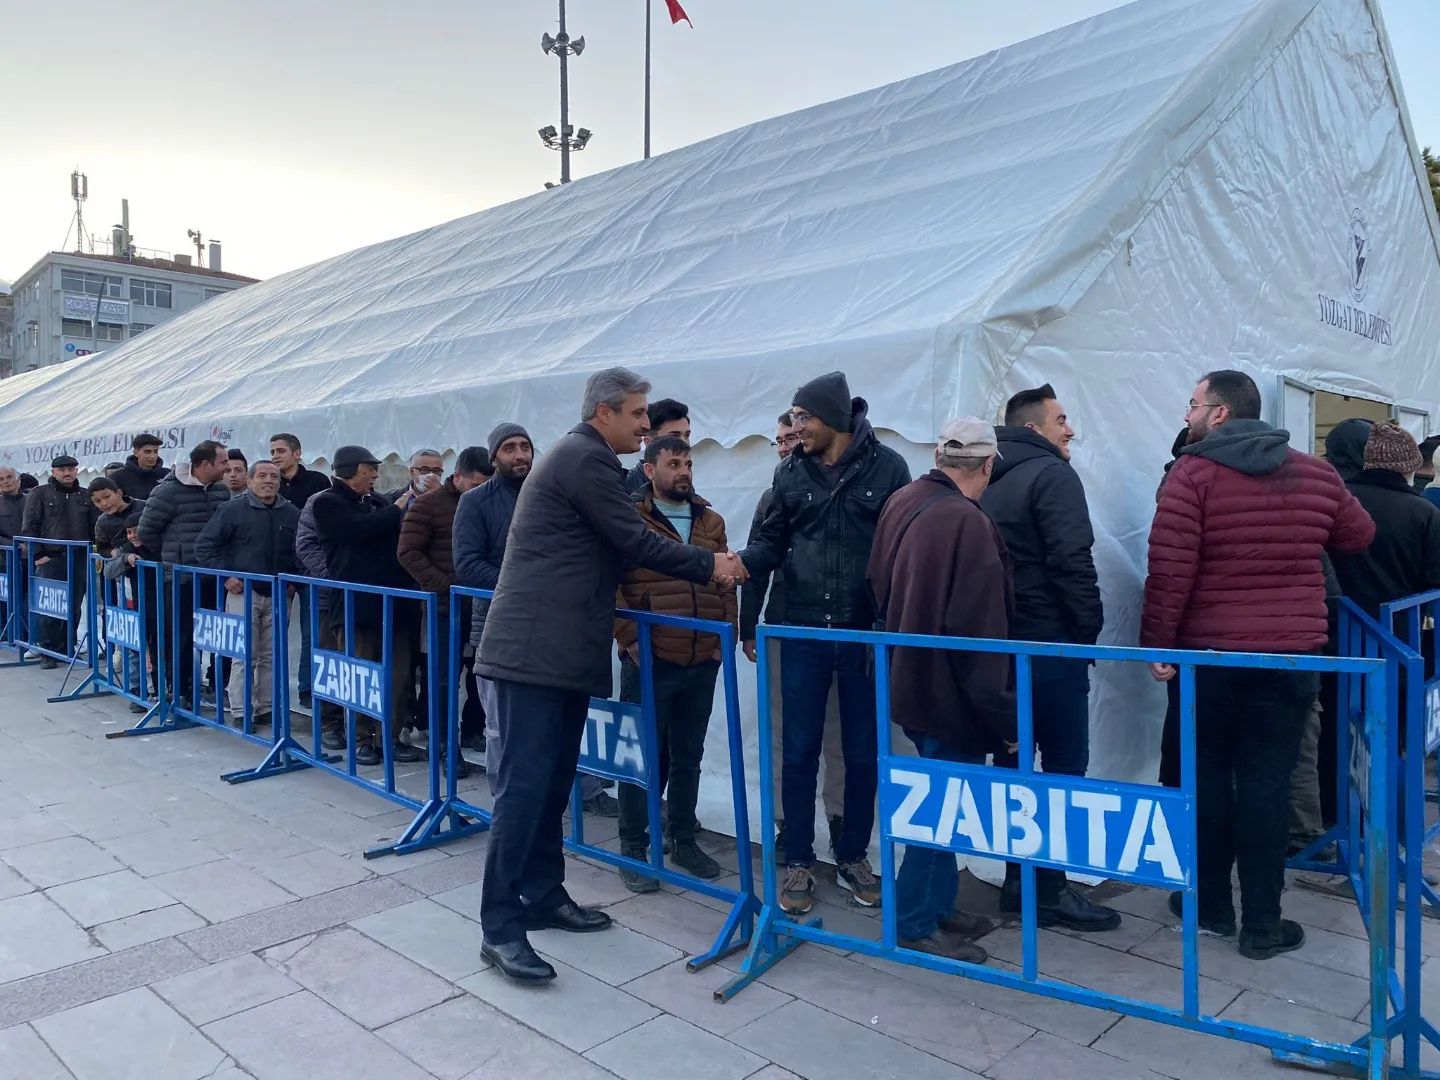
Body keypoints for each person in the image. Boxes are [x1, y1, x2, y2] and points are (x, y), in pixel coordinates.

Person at [476, 368, 743, 982]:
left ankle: (543, 896)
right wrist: (713, 565)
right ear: (605, 413)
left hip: (562, 650)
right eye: (638, 413)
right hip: (532, 652)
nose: (647, 425)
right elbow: (635, 541)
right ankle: (499, 927)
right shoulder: (585, 458)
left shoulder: (588, 459)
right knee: (523, 791)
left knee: (551, 785)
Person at [1142, 370, 1374, 960]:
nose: (1187, 414)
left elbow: (1169, 570)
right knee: (1269, 784)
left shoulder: (1191, 475)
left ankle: (1211, 906)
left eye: (1193, 404)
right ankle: (1264, 925)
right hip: (1290, 656)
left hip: (1210, 657)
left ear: (1219, 413)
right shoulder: (1315, 473)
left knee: (1209, 779)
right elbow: (1358, 534)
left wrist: (1158, 646)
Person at [738, 370, 911, 915]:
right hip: (802, 631)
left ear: (832, 417)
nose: (796, 428)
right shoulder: (789, 471)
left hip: (863, 635)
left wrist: (893, 623)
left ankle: (853, 856)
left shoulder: (890, 468)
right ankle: (797, 860)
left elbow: (901, 550)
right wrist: (736, 569)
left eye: (803, 417)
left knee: (861, 753)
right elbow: (769, 541)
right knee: (798, 750)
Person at [868, 418, 1015, 964]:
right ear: (989, 464)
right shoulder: (967, 520)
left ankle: (939, 905)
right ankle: (913, 921)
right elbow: (979, 633)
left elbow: (876, 582)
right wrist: (1003, 717)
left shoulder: (903, 499)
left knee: (943, 803)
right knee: (939, 810)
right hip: (951, 692)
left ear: (939, 456)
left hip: (910, 678)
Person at [979, 384, 1119, 932]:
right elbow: (1072, 560)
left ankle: (1019, 880)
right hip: (1051, 646)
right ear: (1033, 428)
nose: (1071, 430)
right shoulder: (1052, 475)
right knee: (1064, 767)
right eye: (1062, 420)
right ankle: (1052, 888)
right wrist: (1085, 633)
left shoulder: (988, 477)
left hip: (1002, 648)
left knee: (1014, 765)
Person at [613, 435, 737, 890]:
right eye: (673, 464)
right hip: (651, 656)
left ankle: (683, 837)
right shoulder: (629, 518)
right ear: (649, 470)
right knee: (639, 755)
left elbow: (726, 580)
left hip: (701, 656)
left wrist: (726, 635)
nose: (684, 471)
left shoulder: (710, 520)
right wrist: (629, 638)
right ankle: (633, 845)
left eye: (688, 463)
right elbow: (610, 582)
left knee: (689, 754)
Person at [740, 412, 845, 857]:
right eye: (779, 440)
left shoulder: (840, 488)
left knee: (838, 735)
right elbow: (756, 562)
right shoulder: (773, 496)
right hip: (784, 626)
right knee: (784, 733)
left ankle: (841, 820)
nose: (785, 446)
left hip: (840, 628)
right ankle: (787, 824)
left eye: (792, 438)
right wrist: (748, 626)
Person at [310, 445, 423, 767]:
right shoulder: (327, 503)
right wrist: (397, 508)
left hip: (395, 604)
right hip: (356, 607)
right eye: (368, 470)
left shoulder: (377, 503)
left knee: (399, 676)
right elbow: (357, 532)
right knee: (361, 675)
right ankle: (362, 738)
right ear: (348, 472)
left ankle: (390, 736)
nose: (374, 475)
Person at [397, 445, 494, 778]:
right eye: (476, 484)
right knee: (443, 680)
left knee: (482, 674)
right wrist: (444, 586)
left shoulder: (491, 502)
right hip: (444, 607)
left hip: (483, 605)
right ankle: (443, 746)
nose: (481, 491)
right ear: (458, 476)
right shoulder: (428, 505)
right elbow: (408, 552)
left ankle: (473, 730)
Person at [455, 423, 537, 780]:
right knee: (500, 723)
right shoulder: (475, 501)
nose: (520, 455)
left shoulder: (548, 494)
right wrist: (522, 586)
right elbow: (468, 565)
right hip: (497, 625)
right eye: (509, 448)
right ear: (494, 457)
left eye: (525, 447)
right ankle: (504, 794)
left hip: (546, 624)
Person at [194, 461, 299, 728]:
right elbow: (205, 546)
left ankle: (265, 708)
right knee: (243, 655)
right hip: (243, 593)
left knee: (271, 655)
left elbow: (300, 550)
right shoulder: (231, 510)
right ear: (250, 481)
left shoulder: (291, 513)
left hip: (278, 594)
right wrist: (226, 576)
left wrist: (293, 583)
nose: (268, 481)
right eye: (262, 476)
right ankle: (241, 711)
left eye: (273, 476)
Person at [138, 440, 231, 705]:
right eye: (223, 462)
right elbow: (147, 532)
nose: (227, 467)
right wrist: (173, 557)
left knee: (219, 634)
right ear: (205, 464)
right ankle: (180, 690)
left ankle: (216, 686)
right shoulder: (167, 491)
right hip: (181, 578)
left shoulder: (221, 491)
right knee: (181, 636)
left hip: (215, 575)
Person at [1329, 421, 1440, 621]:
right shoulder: (1424, 512)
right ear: (1410, 466)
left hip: (1339, 622)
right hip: (1401, 626)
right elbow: (1434, 576)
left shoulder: (1335, 499)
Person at [270, 433, 332, 711]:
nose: (275, 456)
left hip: (308, 571)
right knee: (273, 635)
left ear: (297, 453)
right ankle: (271, 691)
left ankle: (308, 689)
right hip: (279, 571)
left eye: (280, 451)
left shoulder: (317, 482)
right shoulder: (270, 483)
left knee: (312, 633)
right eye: (272, 451)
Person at [21, 455, 101, 667]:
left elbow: (96, 526)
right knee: (50, 605)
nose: (67, 473)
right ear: (53, 472)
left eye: (71, 469)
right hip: (51, 557)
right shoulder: (39, 493)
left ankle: (67, 646)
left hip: (79, 557)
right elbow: (30, 525)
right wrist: (38, 555)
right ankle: (48, 650)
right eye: (62, 470)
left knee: (74, 605)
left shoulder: (85, 495)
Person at [102, 509, 160, 712]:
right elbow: (108, 572)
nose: (133, 536)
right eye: (129, 532)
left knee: (158, 650)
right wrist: (125, 559)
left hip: (160, 606)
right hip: (137, 607)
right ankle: (138, 691)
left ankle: (160, 690)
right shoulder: (126, 549)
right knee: (135, 650)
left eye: (137, 530)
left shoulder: (159, 546)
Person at [626, 398, 691, 493]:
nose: (684, 442)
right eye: (674, 436)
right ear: (649, 442)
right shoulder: (627, 488)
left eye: (687, 435)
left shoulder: (683, 479)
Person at [90, 477, 143, 558]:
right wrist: (114, 552)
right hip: (124, 563)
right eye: (97, 501)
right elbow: (102, 549)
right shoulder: (102, 522)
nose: (104, 503)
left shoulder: (145, 508)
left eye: (107, 497)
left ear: (119, 493)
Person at [111, 433, 169, 501]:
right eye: (147, 452)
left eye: (155, 451)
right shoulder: (118, 477)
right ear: (136, 453)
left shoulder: (168, 475)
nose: (152, 456)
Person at [0, 466, 28, 542]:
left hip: (34, 547)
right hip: (7, 548)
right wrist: (14, 545)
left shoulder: (31, 500)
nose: (6, 481)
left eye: (9, 477)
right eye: (1, 479)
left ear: (18, 480)